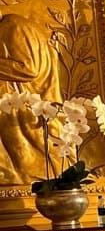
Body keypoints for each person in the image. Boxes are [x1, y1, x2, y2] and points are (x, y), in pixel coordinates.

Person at [0, 12, 61, 184]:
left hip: (29, 110)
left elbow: (27, 68)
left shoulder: (11, 26)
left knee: (36, 151)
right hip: (28, 107)